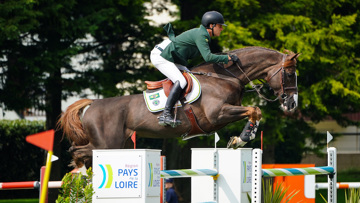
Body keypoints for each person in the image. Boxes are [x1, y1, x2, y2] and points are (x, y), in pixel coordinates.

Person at [150, 11, 240, 127]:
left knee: (191, 77)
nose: (222, 29)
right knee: (181, 81)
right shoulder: (201, 35)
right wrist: (227, 58)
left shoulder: (203, 35)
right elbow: (208, 57)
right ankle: (165, 114)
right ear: (211, 26)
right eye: (220, 26)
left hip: (172, 57)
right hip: (162, 56)